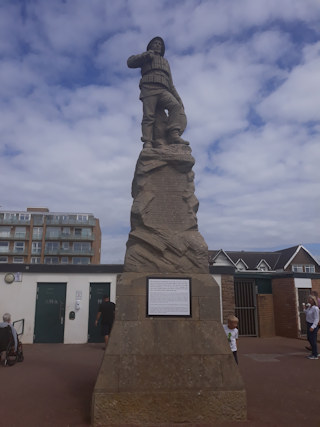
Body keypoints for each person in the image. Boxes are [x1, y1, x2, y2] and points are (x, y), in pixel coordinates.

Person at [127, 36, 188, 148]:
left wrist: (178, 99)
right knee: (149, 116)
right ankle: (148, 142)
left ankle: (173, 134)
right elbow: (130, 62)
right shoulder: (146, 57)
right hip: (149, 89)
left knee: (176, 107)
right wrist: (145, 55)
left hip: (163, 90)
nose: (158, 45)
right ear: (150, 46)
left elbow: (171, 84)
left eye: (160, 44)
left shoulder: (165, 62)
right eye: (155, 43)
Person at [303, 295, 319, 359]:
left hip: (313, 325)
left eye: (311, 299)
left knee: (313, 339)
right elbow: (306, 313)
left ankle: (314, 355)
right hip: (309, 323)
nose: (309, 300)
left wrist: (313, 326)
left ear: (314, 300)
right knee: (309, 338)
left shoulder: (315, 308)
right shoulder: (310, 307)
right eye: (308, 299)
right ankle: (315, 352)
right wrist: (304, 308)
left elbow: (316, 318)